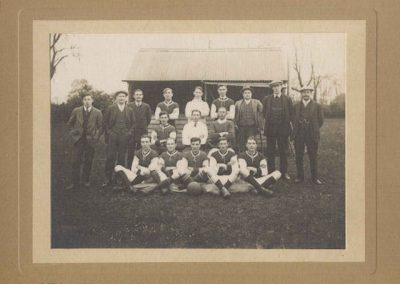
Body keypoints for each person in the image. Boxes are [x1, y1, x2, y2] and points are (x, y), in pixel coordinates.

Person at [66, 93, 103, 189]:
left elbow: (100, 127)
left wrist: (96, 136)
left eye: (89, 99)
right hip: (78, 140)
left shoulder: (97, 112)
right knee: (75, 161)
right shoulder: (76, 110)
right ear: (83, 101)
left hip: (90, 140)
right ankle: (74, 182)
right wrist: (73, 133)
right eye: (85, 99)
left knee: (88, 161)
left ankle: (86, 180)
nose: (87, 101)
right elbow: (70, 123)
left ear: (92, 101)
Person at [292, 86, 324, 184]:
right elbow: (293, 119)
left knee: (313, 156)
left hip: (312, 134)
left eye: (308, 92)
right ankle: (300, 177)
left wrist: (313, 127)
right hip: (299, 134)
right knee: (299, 156)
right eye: (304, 92)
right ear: (301, 94)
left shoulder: (317, 106)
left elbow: (321, 120)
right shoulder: (296, 106)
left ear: (310, 93)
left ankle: (315, 178)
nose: (306, 94)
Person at [103, 91, 136, 187]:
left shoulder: (129, 110)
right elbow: (105, 122)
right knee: (110, 157)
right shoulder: (110, 108)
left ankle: (119, 178)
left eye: (123, 96)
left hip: (124, 136)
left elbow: (133, 123)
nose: (121, 98)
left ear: (126, 98)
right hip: (113, 134)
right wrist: (109, 132)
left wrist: (129, 133)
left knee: (121, 158)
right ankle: (108, 178)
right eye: (119, 96)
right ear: (116, 98)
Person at [262, 80, 293, 180]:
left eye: (278, 86)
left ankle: (284, 173)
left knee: (283, 152)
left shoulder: (287, 99)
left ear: (281, 87)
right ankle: (271, 172)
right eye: (274, 86)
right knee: (270, 152)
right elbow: (264, 113)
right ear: (272, 88)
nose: (276, 88)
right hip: (271, 129)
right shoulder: (267, 99)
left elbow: (291, 113)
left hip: (283, 129)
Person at [127, 89, 152, 166]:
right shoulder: (129, 105)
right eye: (137, 95)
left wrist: (143, 126)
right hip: (132, 132)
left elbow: (148, 119)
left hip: (142, 132)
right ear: (134, 96)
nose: (138, 96)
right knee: (130, 151)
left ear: (142, 96)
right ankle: (129, 167)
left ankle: (140, 167)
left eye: (140, 95)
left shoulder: (146, 106)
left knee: (141, 150)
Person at [234, 85, 263, 152]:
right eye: (245, 93)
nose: (247, 94)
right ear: (243, 94)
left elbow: (262, 113)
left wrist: (260, 125)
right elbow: (235, 114)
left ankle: (251, 156)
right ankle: (242, 157)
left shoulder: (257, 102)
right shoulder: (238, 103)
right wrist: (235, 124)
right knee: (241, 143)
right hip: (241, 126)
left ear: (251, 94)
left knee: (251, 142)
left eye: (249, 93)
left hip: (252, 127)